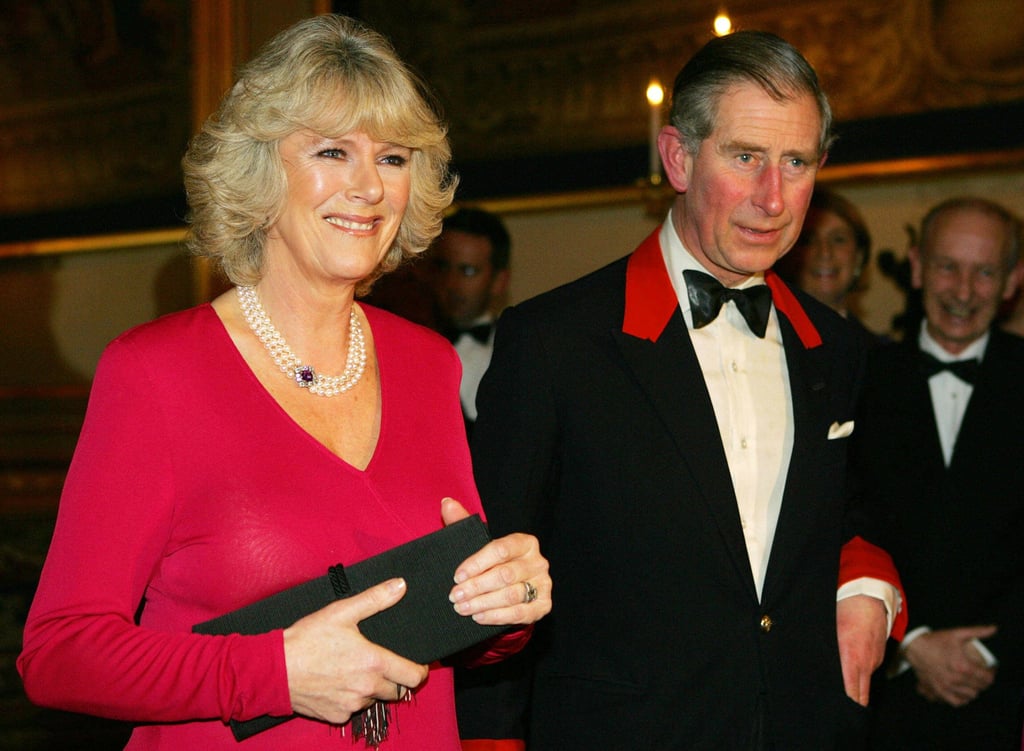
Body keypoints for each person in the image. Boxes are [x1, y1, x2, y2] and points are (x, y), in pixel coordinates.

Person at [17, 15, 550, 751]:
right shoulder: (155, 373)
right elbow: (59, 654)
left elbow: (445, 615)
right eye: (334, 151)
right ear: (261, 171)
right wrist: (274, 670)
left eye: (393, 158)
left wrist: (504, 606)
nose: (369, 186)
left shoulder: (430, 364)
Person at [465, 30, 905, 750]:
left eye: (796, 162)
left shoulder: (837, 347)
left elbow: (850, 507)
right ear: (677, 157)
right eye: (744, 157)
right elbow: (492, 574)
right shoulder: (555, 342)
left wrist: (864, 586)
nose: (773, 197)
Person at [853, 197, 1024, 750]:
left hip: (1009, 700)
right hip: (881, 706)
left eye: (985, 272)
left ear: (1012, 281)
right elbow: (832, 527)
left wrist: (989, 652)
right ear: (917, 266)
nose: (963, 290)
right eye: (948, 266)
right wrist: (911, 643)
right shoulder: (856, 381)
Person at [433, 207, 511, 432]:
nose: (451, 284)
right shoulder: (402, 346)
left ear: (499, 281)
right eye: (443, 267)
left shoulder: (514, 353)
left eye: (467, 271)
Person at [776, 187, 882, 346]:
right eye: (809, 239)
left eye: (838, 239)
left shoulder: (884, 357)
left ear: (859, 257)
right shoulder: (768, 345)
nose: (825, 252)